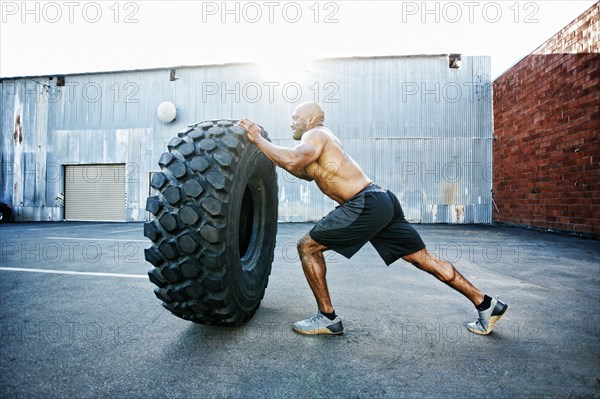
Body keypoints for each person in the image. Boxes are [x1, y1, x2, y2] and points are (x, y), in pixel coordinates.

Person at [238, 102, 507, 336]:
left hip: (364, 204)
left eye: (295, 117)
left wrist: (258, 139)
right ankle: (485, 304)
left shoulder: (315, 134)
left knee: (307, 247)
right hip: (381, 200)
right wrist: (267, 153)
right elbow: (305, 172)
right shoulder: (322, 141)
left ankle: (328, 318)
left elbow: (293, 161)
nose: (291, 122)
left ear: (310, 119)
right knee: (422, 259)